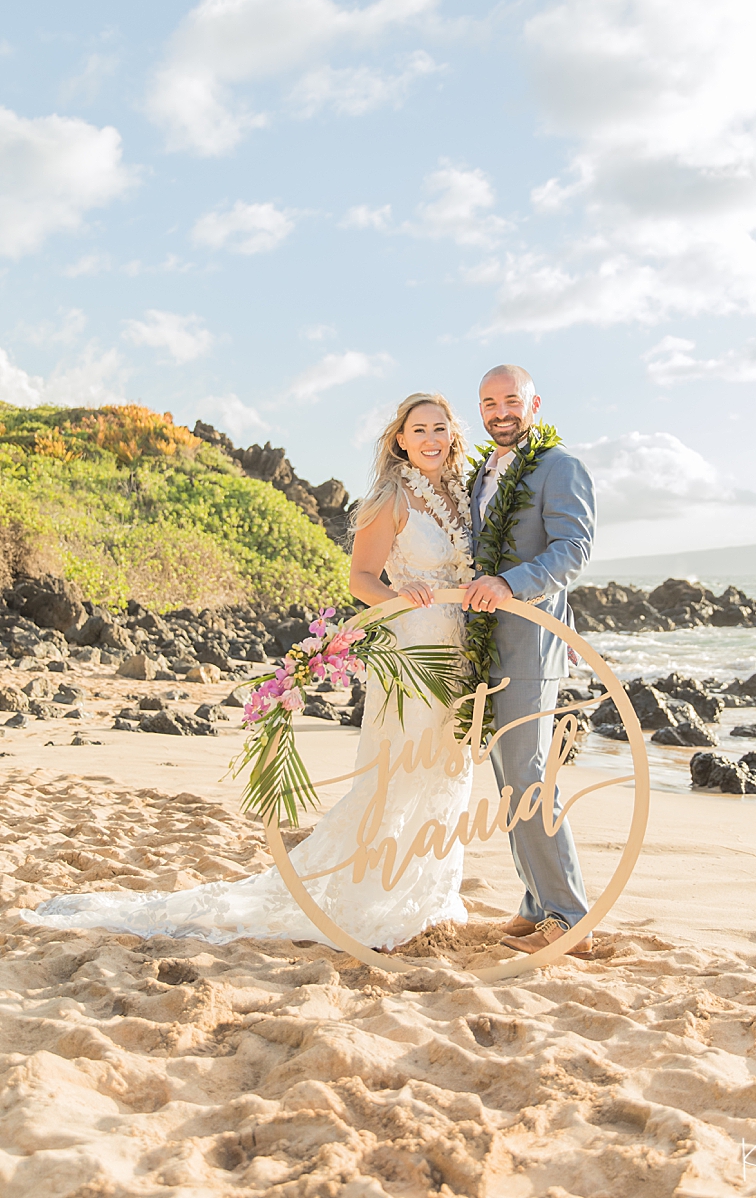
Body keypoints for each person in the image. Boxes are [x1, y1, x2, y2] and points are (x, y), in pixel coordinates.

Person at [27, 393, 475, 951]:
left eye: (439, 428)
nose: (430, 439)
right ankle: (372, 899)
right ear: (401, 440)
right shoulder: (392, 497)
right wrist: (398, 595)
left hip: (456, 655)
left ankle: (428, 896)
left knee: (445, 773)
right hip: (410, 652)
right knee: (400, 773)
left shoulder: (463, 497)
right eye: (419, 430)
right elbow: (361, 579)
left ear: (452, 434)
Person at [463, 364, 596, 956]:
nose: (500, 412)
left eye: (511, 400)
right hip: (485, 642)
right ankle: (536, 903)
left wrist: (510, 584)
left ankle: (568, 915)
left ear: (534, 403)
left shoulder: (559, 465)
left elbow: (574, 548)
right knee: (509, 775)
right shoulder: (482, 474)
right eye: (489, 403)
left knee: (528, 776)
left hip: (532, 638)